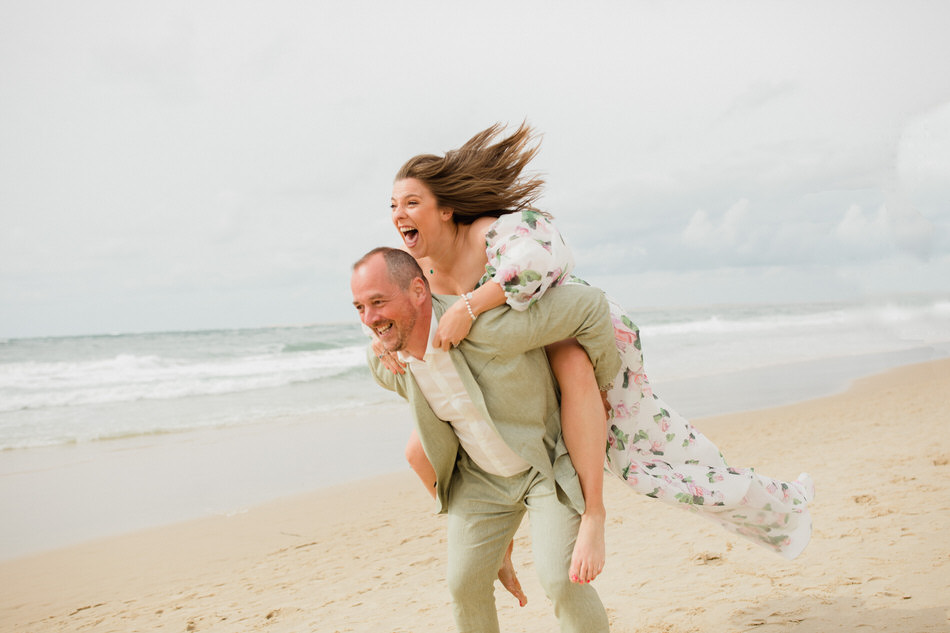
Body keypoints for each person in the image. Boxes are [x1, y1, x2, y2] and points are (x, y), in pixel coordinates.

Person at [378, 123, 815, 580]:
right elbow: (392, 310)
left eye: (411, 203)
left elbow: (541, 260)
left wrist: (471, 305)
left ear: (446, 210)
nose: (399, 214)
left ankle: (598, 516)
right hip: (516, 362)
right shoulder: (417, 268)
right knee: (419, 449)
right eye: (393, 205)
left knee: (645, 464)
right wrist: (385, 340)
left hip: (584, 336)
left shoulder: (490, 231)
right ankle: (490, 535)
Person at [352, 247, 620, 633]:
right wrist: (384, 334)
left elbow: (591, 305)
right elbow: (448, 410)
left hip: (542, 466)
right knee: (464, 585)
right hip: (481, 483)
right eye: (360, 307)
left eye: (378, 302)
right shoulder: (384, 363)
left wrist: (604, 392)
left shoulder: (482, 324)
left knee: (561, 578)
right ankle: (498, 551)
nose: (370, 318)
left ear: (417, 290)